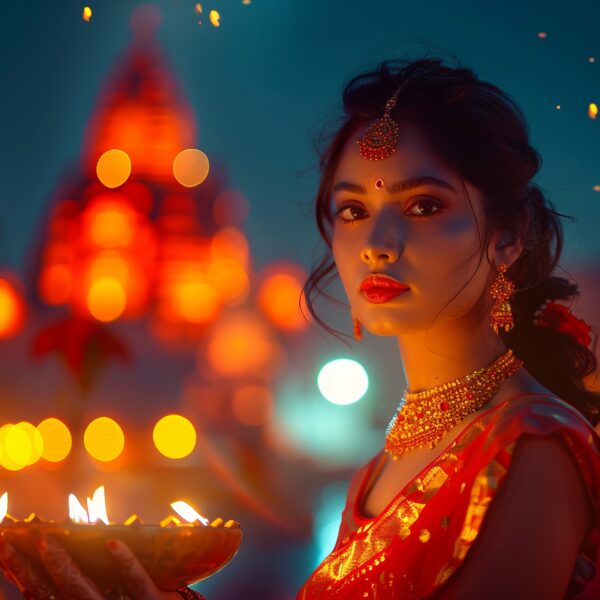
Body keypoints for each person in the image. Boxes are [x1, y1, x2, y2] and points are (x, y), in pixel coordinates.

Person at [297, 57, 600, 599]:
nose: (376, 243)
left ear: (507, 236)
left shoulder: (533, 444)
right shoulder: (376, 472)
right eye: (352, 210)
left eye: (422, 205)